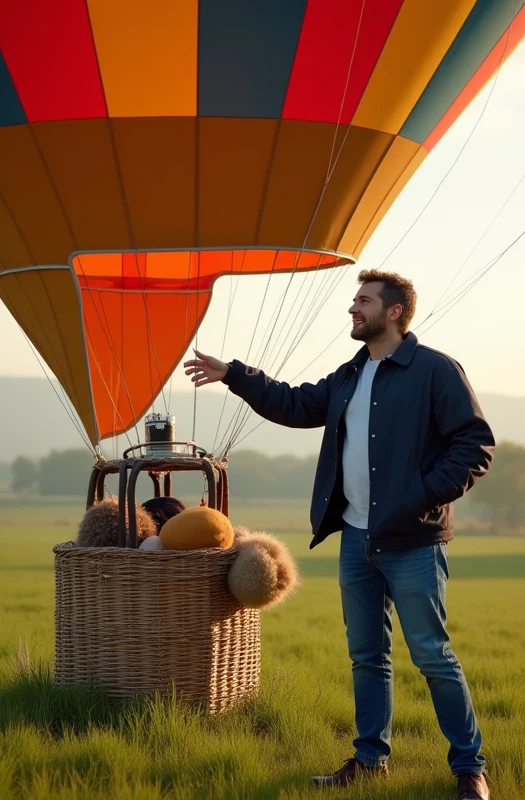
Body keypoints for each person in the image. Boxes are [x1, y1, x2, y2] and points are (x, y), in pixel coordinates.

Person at [183, 269, 496, 799]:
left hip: (413, 542)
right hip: (356, 540)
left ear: (394, 311)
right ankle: (371, 760)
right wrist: (235, 373)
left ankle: (469, 769)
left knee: (432, 655)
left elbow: (475, 444)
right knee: (367, 655)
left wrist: (418, 497)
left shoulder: (435, 371)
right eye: (355, 300)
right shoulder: (351, 376)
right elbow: (297, 403)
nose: (353, 309)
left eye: (364, 301)